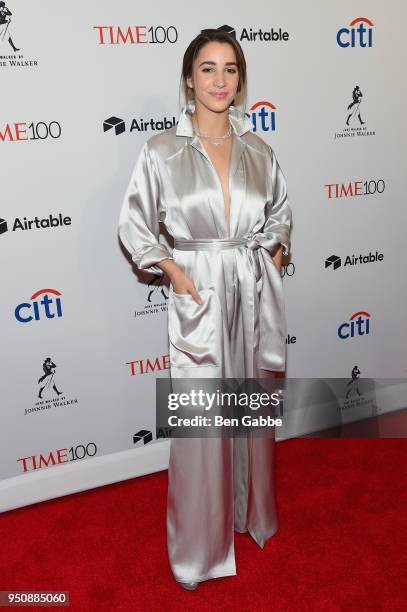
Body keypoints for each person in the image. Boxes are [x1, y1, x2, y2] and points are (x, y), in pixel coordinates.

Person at [118, 28, 292, 590]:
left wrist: (272, 255)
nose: (220, 80)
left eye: (231, 69)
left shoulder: (260, 150)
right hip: (199, 292)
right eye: (208, 68)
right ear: (189, 78)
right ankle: (197, 550)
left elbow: (280, 214)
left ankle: (249, 512)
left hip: (250, 287)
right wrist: (173, 271)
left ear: (241, 82)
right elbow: (135, 225)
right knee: (201, 423)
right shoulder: (161, 151)